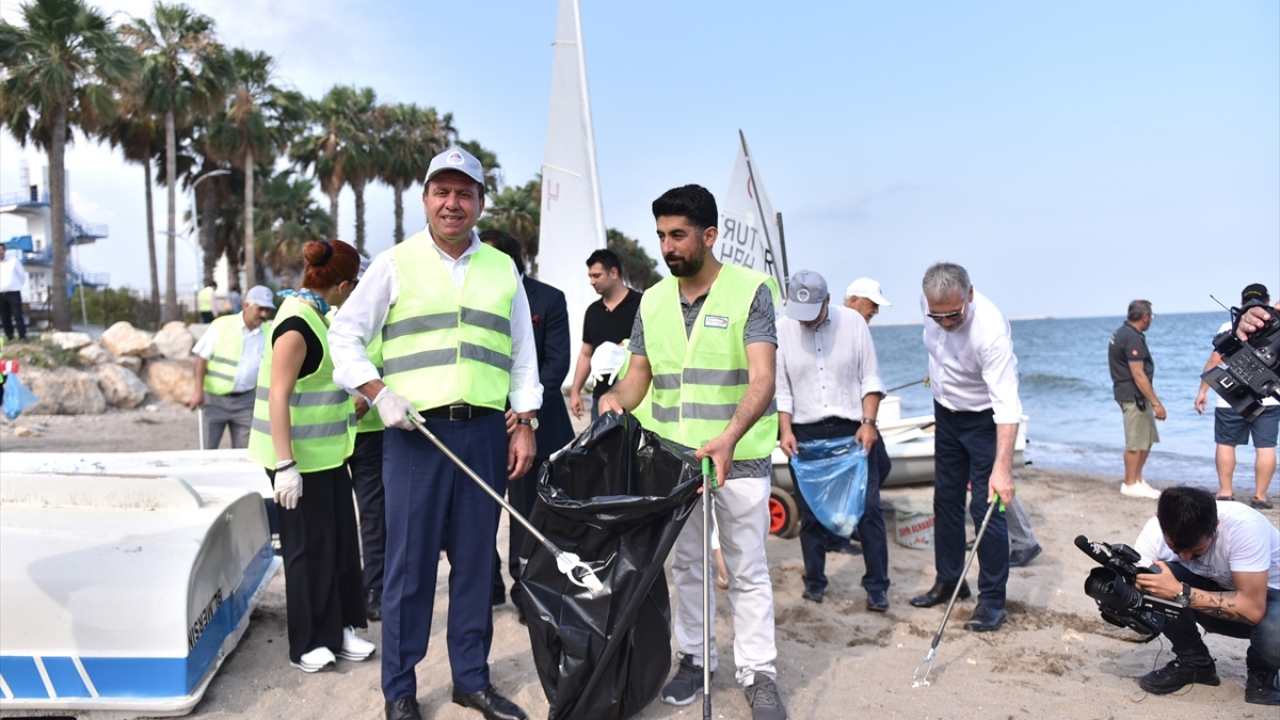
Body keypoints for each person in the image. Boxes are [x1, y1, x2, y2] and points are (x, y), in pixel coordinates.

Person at [328, 147, 538, 720]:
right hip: (415, 436)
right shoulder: (393, 263)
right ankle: (400, 689)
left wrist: (525, 422)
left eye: (464, 193)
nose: (453, 203)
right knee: (409, 568)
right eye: (442, 192)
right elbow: (342, 337)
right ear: (425, 199)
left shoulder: (503, 269)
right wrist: (377, 392)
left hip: (484, 436)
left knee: (476, 563)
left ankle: (471, 680)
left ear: (479, 203)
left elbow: (523, 356)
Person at [599, 184, 787, 720]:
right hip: (674, 462)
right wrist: (615, 399)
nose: (667, 246)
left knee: (747, 570)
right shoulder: (652, 300)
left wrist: (728, 437)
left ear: (709, 235)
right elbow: (639, 377)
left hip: (740, 457)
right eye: (660, 235)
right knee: (687, 568)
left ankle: (759, 674)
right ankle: (695, 661)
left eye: (678, 235)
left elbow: (763, 378)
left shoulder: (752, 291)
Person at [246, 240, 373, 674]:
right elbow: (279, 396)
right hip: (295, 458)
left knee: (339, 544)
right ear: (341, 284)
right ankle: (307, 642)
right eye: (354, 283)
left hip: (330, 454)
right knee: (306, 549)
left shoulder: (322, 315)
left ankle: (339, 630)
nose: (355, 290)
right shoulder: (295, 326)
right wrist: (285, 466)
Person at [909, 263, 1018, 633]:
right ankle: (949, 580)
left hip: (984, 419)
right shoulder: (931, 308)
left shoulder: (990, 333)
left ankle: (991, 602)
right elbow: (939, 347)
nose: (946, 323)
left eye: (954, 314)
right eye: (936, 316)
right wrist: (940, 371)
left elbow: (1007, 406)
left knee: (985, 507)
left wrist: (1002, 469)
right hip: (946, 412)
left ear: (969, 294)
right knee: (945, 500)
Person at [776, 270, 891, 612]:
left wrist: (869, 423)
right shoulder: (783, 328)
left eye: (813, 313)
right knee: (810, 514)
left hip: (853, 429)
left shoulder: (853, 324)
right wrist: (785, 430)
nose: (806, 323)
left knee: (868, 510)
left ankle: (877, 586)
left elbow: (870, 376)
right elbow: (782, 388)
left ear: (827, 301)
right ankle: (814, 582)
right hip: (805, 433)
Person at [480, 229, 574, 620]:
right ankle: (488, 586)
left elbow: (556, 365)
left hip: (537, 424)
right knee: (479, 509)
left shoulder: (549, 299)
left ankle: (527, 588)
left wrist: (523, 412)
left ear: (512, 261)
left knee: (529, 511)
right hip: (484, 420)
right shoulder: (472, 298)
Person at [1132, 486, 1279, 706]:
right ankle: (1194, 663)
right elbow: (1140, 589)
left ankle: (1263, 673)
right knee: (1153, 579)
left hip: (1266, 603)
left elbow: (1253, 610)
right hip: (1211, 596)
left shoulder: (1244, 528)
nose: (1184, 556)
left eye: (1196, 550)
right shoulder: (1155, 529)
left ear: (1216, 525)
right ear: (1159, 519)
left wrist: (1180, 593)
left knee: (1274, 632)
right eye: (1174, 548)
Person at [1196, 284, 1277, 509]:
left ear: (1242, 304)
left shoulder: (1230, 325)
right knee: (1266, 446)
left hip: (1232, 397)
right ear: (1268, 302)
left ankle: (1225, 492)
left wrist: (1203, 392)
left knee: (1226, 443)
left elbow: (1215, 362)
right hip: (1269, 396)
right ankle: (1260, 497)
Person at [345, 256, 387, 622]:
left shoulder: (382, 321)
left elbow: (391, 365)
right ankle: (344, 591)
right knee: (337, 518)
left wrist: (370, 394)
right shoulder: (321, 316)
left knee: (373, 514)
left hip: (370, 434)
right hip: (324, 438)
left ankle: (374, 587)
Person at [189, 285, 275, 449]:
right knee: (207, 450)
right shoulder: (221, 325)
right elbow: (201, 360)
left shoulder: (268, 332)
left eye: (268, 310)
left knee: (245, 454)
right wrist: (198, 391)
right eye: (260, 309)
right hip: (214, 401)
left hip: (246, 402)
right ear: (246, 305)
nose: (264, 314)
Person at [569, 248, 642, 421]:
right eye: (590, 277)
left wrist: (627, 346)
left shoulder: (642, 304)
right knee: (600, 448)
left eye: (596, 275)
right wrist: (575, 391)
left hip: (636, 400)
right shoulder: (593, 312)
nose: (592, 282)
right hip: (600, 401)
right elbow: (586, 354)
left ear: (613, 272)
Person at [1108, 300, 1165, 499]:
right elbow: (1138, 374)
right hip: (1132, 395)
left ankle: (1138, 479)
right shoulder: (1130, 337)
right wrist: (1157, 403)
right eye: (1151, 317)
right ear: (1145, 317)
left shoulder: (1123, 332)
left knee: (1146, 438)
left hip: (1134, 395)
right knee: (1135, 441)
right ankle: (1130, 483)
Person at [0, 244, 29, 342]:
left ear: (4, 251)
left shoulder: (13, 261)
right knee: (5, 317)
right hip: (1, 294)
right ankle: (10, 336)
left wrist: (16, 285)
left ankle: (22, 336)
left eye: (1, 250)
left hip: (13, 292)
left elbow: (22, 275)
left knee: (17, 315)